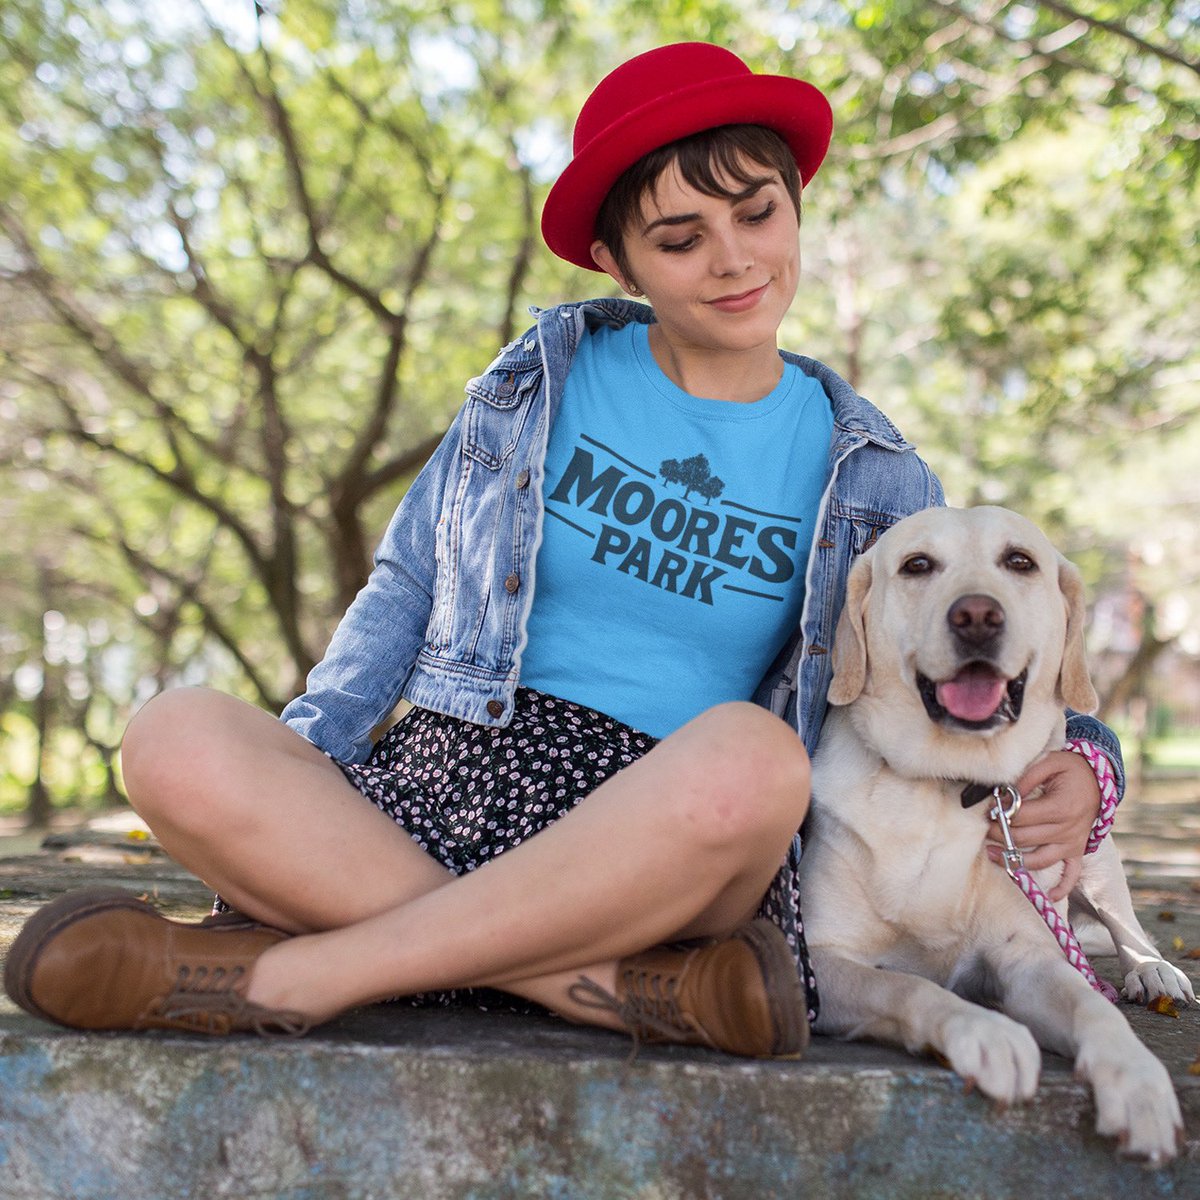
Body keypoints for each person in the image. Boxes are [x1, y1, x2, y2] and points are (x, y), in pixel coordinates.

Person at [3, 42, 1123, 1056]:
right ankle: (607, 988)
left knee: (758, 759)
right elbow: (403, 586)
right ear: (617, 259)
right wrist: (304, 771)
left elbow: (984, 647)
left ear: (796, 209)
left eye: (758, 214)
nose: (733, 260)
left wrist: (1092, 760)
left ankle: (303, 967)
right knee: (171, 735)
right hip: (450, 776)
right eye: (681, 238)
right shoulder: (536, 382)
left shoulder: (880, 477)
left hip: (669, 829)